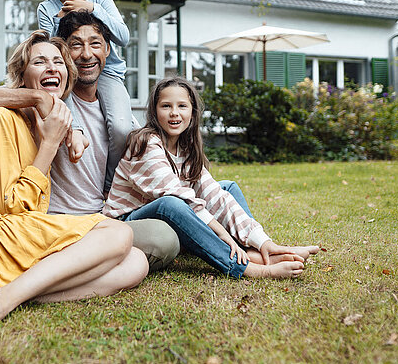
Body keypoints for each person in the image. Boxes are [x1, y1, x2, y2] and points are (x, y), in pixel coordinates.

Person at [0, 31, 148, 344]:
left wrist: (58, 133)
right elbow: (10, 208)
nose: (52, 67)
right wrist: (50, 141)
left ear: (68, 78)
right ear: (22, 76)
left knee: (136, 264)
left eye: (58, 62)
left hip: (7, 239)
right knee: (119, 234)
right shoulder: (2, 117)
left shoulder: (45, 123)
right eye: (39, 62)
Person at [0, 11, 180, 273]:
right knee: (161, 240)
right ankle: (77, 262)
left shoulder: (117, 114)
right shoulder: (39, 109)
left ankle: (85, 261)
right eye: (75, 46)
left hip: (98, 218)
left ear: (107, 50)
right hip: (49, 223)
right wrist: (37, 98)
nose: (86, 54)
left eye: (95, 44)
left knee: (165, 230)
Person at [103, 77, 320, 279]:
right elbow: (180, 199)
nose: (174, 113)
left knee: (226, 188)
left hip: (168, 217)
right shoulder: (146, 143)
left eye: (182, 106)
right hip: (129, 222)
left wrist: (263, 240)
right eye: (166, 106)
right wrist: (223, 234)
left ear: (193, 112)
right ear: (154, 111)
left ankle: (260, 251)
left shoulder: (186, 147)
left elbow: (213, 193)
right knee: (172, 203)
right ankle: (247, 266)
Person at [37, 0, 132, 193]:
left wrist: (92, 9)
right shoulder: (46, 9)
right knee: (71, 122)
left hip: (107, 73)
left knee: (123, 128)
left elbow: (123, 37)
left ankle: (110, 186)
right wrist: (60, 19)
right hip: (70, 75)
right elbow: (51, 52)